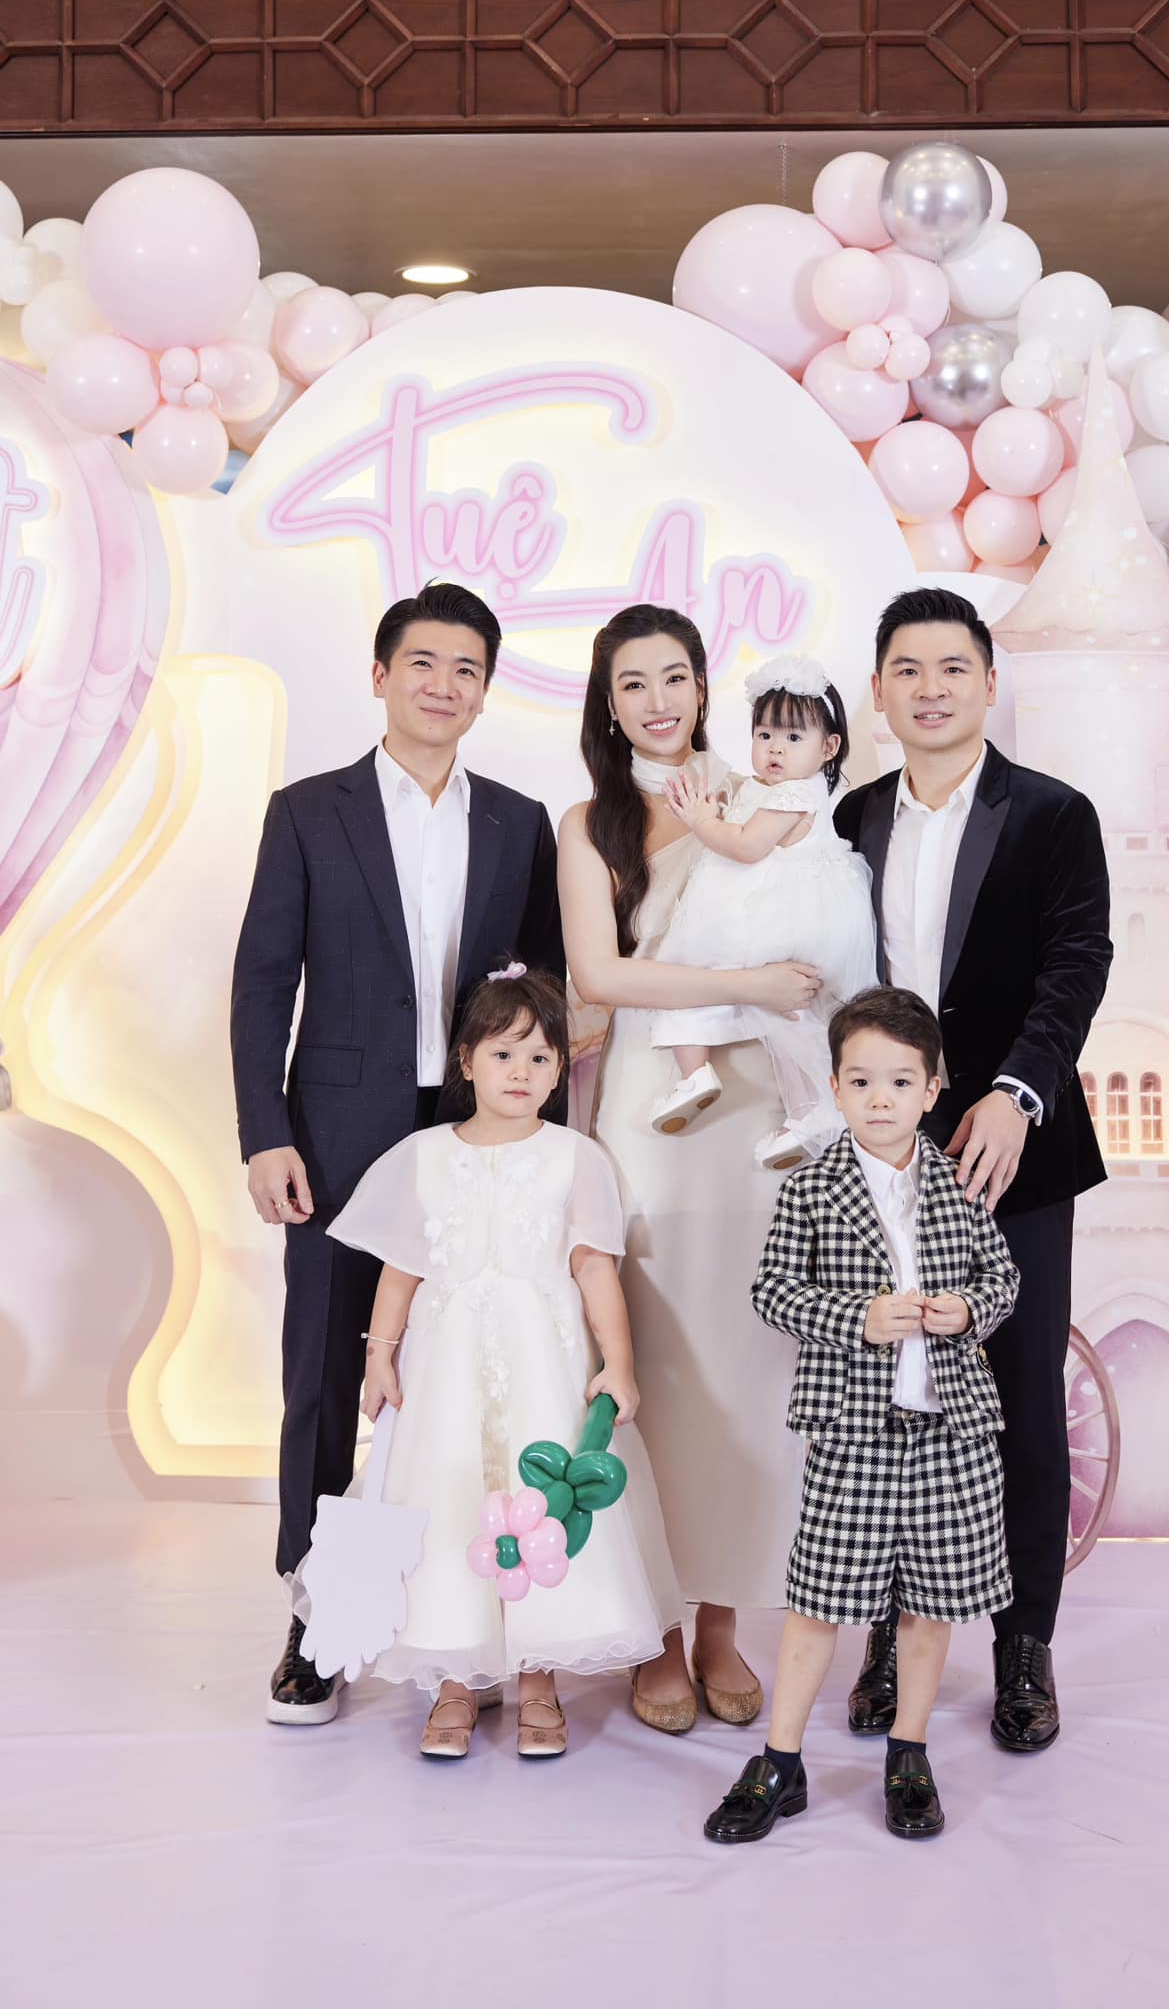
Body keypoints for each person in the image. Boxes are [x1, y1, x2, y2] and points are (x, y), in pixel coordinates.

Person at [231, 579, 563, 1726]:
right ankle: (320, 1617)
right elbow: (262, 980)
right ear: (380, 675)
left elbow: (545, 993)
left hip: (480, 1128)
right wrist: (266, 1131)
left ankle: (473, 1622)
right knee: (329, 1371)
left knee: (470, 1367)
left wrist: (546, 1132)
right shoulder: (306, 811)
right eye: (422, 661)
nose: (442, 683)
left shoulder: (518, 820)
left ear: (485, 688)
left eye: (466, 667)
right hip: (338, 1130)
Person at [836, 587, 1112, 1755]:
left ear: (989, 683)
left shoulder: (1052, 813)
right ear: (879, 690)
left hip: (1013, 1152)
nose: (931, 687)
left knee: (1020, 1404)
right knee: (886, 1401)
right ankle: (886, 1638)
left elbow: (1076, 962)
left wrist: (1015, 1090)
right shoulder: (847, 819)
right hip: (878, 1156)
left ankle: (1023, 1647)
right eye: (907, 668)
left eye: (953, 666)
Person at [296, 967, 682, 1758]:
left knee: (542, 1507)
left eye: (540, 1059)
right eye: (504, 1054)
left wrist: (619, 1363)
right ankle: (455, 1678)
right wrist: (379, 1358)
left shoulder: (575, 1158)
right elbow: (400, 1272)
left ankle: (538, 1676)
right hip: (447, 1375)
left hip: (545, 1367)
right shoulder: (423, 1156)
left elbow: (594, 1268)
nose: (521, 1073)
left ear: (561, 1070)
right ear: (466, 1060)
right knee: (451, 1497)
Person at [558, 603, 820, 1734]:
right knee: (655, 1357)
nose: (658, 701)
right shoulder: (589, 823)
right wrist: (747, 983)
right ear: (608, 705)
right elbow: (600, 978)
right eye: (634, 684)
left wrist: (775, 997)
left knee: (748, 1359)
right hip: (652, 1102)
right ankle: (655, 1628)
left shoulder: (756, 791)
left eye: (675, 677)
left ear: (704, 687)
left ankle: (719, 1623)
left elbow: (811, 919)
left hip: (756, 1099)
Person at [703, 988, 1020, 1844]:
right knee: (818, 1600)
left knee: (932, 1601)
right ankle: (781, 1760)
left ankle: (909, 1752)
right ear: (836, 1087)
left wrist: (967, 1310)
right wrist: (859, 1318)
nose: (881, 1100)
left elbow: (1002, 1279)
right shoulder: (812, 1190)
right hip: (853, 1431)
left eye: (901, 1081)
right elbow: (774, 1292)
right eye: (862, 1081)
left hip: (952, 1431)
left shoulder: (959, 1184)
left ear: (933, 1088)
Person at [648, 654, 878, 1169]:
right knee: (788, 1021)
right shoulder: (773, 788)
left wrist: (701, 821)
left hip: (775, 917)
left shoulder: (794, 793)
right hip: (786, 916)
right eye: (765, 734)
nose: (775, 748)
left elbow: (748, 846)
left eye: (793, 737)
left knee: (687, 972)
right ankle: (807, 1112)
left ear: (828, 747)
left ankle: (695, 1074)